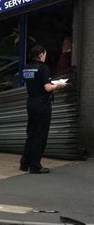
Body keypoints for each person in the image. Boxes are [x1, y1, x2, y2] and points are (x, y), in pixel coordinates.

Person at [20, 45, 67, 174]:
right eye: (45, 53)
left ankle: (25, 163)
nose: (46, 56)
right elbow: (47, 88)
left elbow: (33, 83)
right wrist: (58, 85)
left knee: (31, 133)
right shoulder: (43, 68)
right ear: (41, 54)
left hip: (31, 102)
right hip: (42, 104)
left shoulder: (27, 68)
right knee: (40, 135)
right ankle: (35, 165)